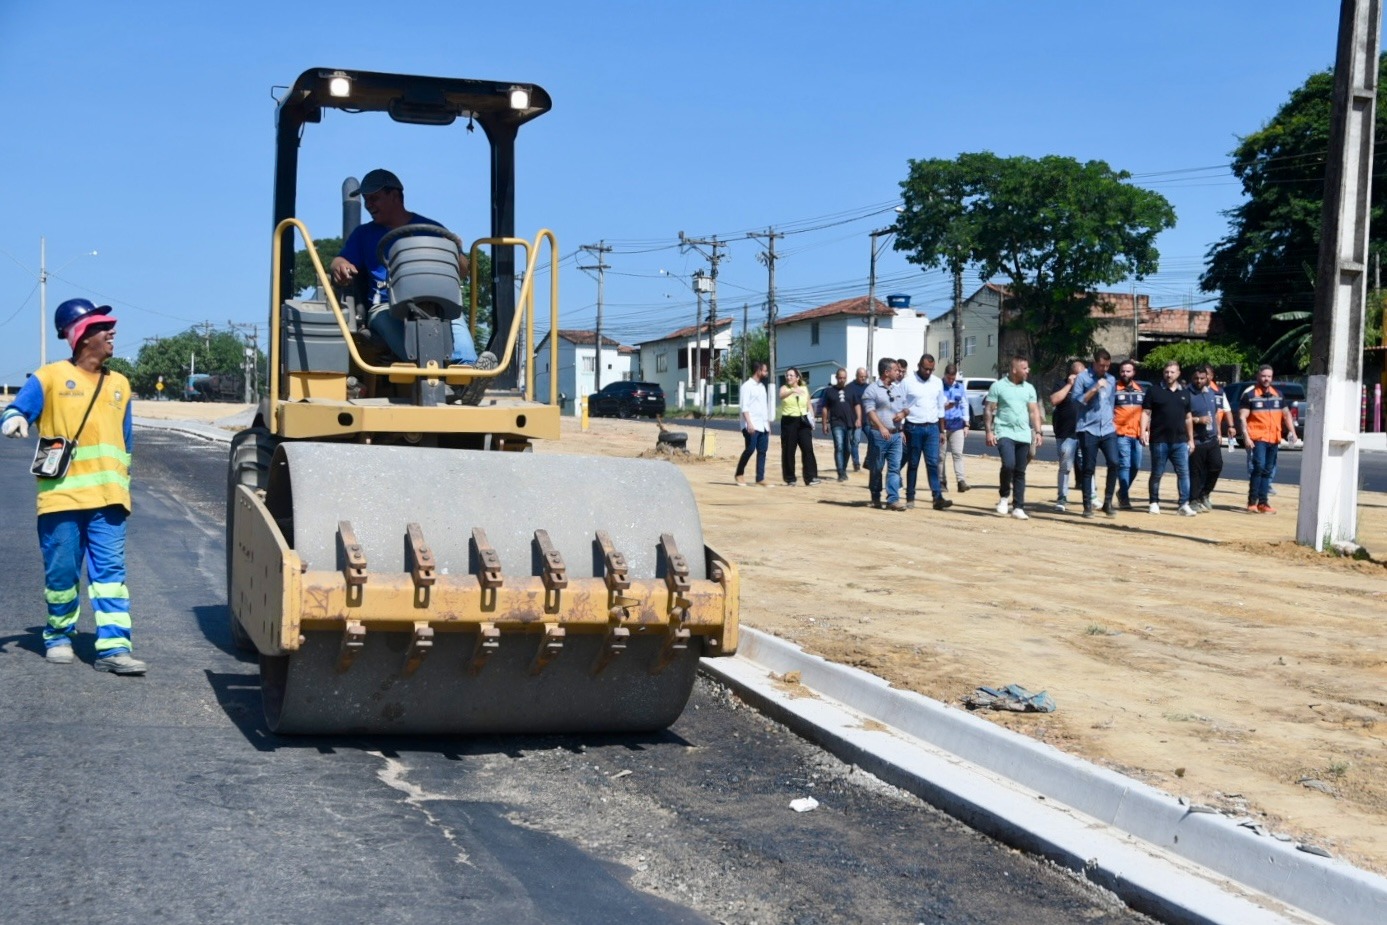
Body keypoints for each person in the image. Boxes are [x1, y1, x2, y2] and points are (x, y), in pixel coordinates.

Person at [0, 299, 145, 674]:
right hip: (61, 497)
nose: (112, 333)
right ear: (81, 335)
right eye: (103, 328)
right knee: (62, 574)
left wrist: (123, 482)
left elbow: (125, 443)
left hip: (109, 501)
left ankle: (115, 649)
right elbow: (17, 409)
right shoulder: (47, 377)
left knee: (110, 576)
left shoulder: (120, 384)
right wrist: (13, 420)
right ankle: (59, 635)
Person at [329, 168, 484, 368]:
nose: (369, 205)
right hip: (386, 305)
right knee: (385, 319)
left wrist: (456, 252)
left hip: (434, 299)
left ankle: (467, 369)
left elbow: (462, 271)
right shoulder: (363, 234)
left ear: (394, 196)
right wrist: (340, 265)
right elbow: (339, 260)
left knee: (453, 315)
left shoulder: (432, 229)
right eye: (366, 200)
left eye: (374, 198)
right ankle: (432, 372)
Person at [984, 356, 1043, 520]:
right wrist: (989, 431)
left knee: (1020, 471)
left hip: (1023, 434)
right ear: (1014, 369)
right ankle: (1004, 497)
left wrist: (1038, 432)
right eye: (1025, 368)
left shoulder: (1029, 388)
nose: (1028, 371)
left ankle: (1018, 507)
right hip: (1004, 431)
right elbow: (989, 409)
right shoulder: (998, 386)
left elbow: (1033, 411)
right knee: (1009, 464)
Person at [1239, 364, 1301, 513]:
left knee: (1268, 470)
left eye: (1269, 376)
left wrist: (1293, 432)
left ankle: (1263, 503)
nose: (1266, 379)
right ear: (1258, 376)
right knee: (1258, 468)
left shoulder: (1278, 395)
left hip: (1274, 438)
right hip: (1258, 438)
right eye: (1263, 376)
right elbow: (1242, 417)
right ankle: (1252, 502)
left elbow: (1286, 415)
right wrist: (1246, 437)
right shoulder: (1251, 395)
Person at [1141, 360, 1196, 516]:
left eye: (1172, 372)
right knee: (1157, 473)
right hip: (1159, 440)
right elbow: (1145, 412)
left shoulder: (1185, 393)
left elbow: (1188, 417)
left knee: (1184, 473)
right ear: (1163, 373)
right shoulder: (1154, 391)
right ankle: (1153, 502)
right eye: (1167, 372)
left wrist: (1190, 439)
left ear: (1178, 373)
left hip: (1180, 441)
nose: (1169, 374)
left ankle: (1184, 504)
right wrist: (1142, 431)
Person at [1073, 348, 1121, 518]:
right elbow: (1077, 402)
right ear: (1094, 363)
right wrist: (1094, 388)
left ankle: (1107, 503)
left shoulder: (1111, 379)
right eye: (1102, 366)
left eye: (1107, 366)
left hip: (1108, 429)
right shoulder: (1083, 378)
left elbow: (1110, 401)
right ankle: (1087, 505)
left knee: (1114, 463)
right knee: (1088, 468)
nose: (1105, 370)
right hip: (1088, 429)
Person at [902, 354, 951, 511]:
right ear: (919, 365)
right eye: (926, 369)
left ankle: (937, 498)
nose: (928, 372)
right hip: (913, 428)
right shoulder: (907, 382)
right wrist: (901, 428)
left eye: (931, 369)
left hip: (932, 428)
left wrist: (941, 430)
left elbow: (940, 407)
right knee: (913, 463)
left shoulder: (937, 382)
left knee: (932, 463)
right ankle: (910, 497)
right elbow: (901, 405)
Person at [861, 356, 908, 510]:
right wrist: (881, 427)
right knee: (877, 468)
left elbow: (905, 407)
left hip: (896, 435)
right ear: (887, 372)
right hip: (879, 435)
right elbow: (870, 411)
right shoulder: (872, 389)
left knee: (894, 468)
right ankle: (875, 497)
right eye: (895, 370)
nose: (898, 372)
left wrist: (903, 415)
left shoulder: (898, 389)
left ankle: (893, 500)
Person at [1187, 363, 1229, 512]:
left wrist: (1219, 432)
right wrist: (1198, 420)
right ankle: (1193, 500)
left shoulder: (1211, 393)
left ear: (1208, 378)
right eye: (1196, 378)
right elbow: (1181, 418)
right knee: (1196, 473)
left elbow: (1216, 414)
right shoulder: (1187, 394)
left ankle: (1204, 494)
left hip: (1211, 438)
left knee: (1216, 466)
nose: (1199, 381)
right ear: (1192, 378)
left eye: (1202, 378)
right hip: (1197, 439)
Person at [1049, 359, 1085, 512]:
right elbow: (1054, 400)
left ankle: (1091, 497)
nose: (1079, 378)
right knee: (1065, 466)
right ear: (1071, 374)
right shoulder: (1061, 384)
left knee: (1087, 466)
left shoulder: (1088, 387)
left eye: (1082, 375)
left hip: (1083, 433)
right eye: (1076, 375)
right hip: (1065, 433)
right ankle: (1062, 497)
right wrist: (1069, 385)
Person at [778, 368, 820, 486]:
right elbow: (781, 396)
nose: (788, 377)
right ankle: (790, 478)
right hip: (789, 421)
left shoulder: (804, 389)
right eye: (787, 375)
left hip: (803, 421)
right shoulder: (784, 388)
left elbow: (809, 405)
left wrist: (812, 419)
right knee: (788, 450)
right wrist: (792, 391)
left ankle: (810, 477)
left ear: (797, 378)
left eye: (791, 375)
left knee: (808, 448)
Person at [1113, 359, 1145, 510]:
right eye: (1122, 371)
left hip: (1138, 435)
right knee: (1124, 465)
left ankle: (1121, 491)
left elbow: (1147, 413)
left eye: (1128, 371)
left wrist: (1146, 430)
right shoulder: (1114, 389)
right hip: (1121, 434)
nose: (1125, 374)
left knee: (1136, 466)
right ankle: (1124, 497)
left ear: (1134, 373)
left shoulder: (1140, 390)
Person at [735, 362, 772, 487]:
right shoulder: (747, 386)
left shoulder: (762, 387)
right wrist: (749, 423)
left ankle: (760, 478)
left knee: (762, 451)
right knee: (750, 449)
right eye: (765, 371)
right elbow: (744, 406)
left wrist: (767, 425)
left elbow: (763, 407)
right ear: (758, 371)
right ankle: (739, 474)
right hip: (750, 425)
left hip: (763, 425)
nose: (766, 373)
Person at [938, 363, 970, 493]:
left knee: (958, 454)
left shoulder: (959, 387)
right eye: (949, 378)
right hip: (942, 424)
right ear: (945, 375)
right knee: (941, 456)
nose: (951, 381)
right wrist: (944, 407)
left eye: (953, 378)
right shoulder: (938, 386)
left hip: (957, 425)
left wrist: (966, 423)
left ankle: (961, 481)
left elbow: (964, 405)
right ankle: (941, 481)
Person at [820, 368, 856, 481]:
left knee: (848, 449)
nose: (842, 380)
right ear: (836, 378)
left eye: (844, 378)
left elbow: (857, 406)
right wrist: (824, 423)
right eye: (840, 377)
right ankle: (840, 472)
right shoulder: (829, 391)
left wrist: (859, 419)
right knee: (839, 446)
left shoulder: (851, 390)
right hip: (836, 423)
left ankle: (843, 469)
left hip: (849, 423)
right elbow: (825, 408)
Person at [844, 367, 870, 472]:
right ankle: (856, 463)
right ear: (856, 376)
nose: (863, 378)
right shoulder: (849, 387)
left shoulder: (869, 387)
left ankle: (867, 461)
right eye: (861, 376)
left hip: (867, 419)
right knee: (855, 442)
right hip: (855, 420)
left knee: (873, 440)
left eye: (865, 377)